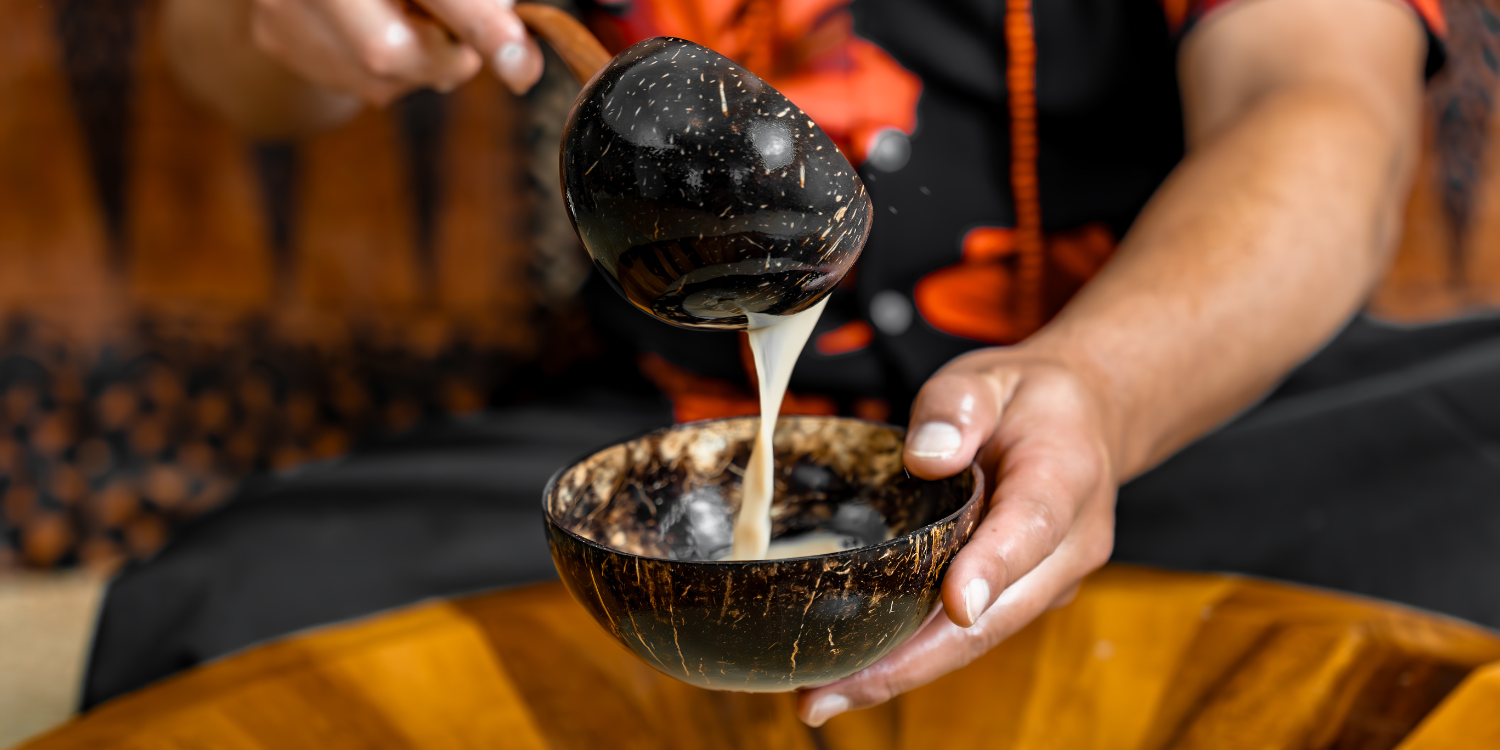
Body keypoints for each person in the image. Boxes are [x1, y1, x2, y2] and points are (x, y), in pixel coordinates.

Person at [93, 0, 1469, 728]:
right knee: (228, 621)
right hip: (684, 440)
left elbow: (1319, 110)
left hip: (1175, 406)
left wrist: (1104, 386)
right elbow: (240, 62)